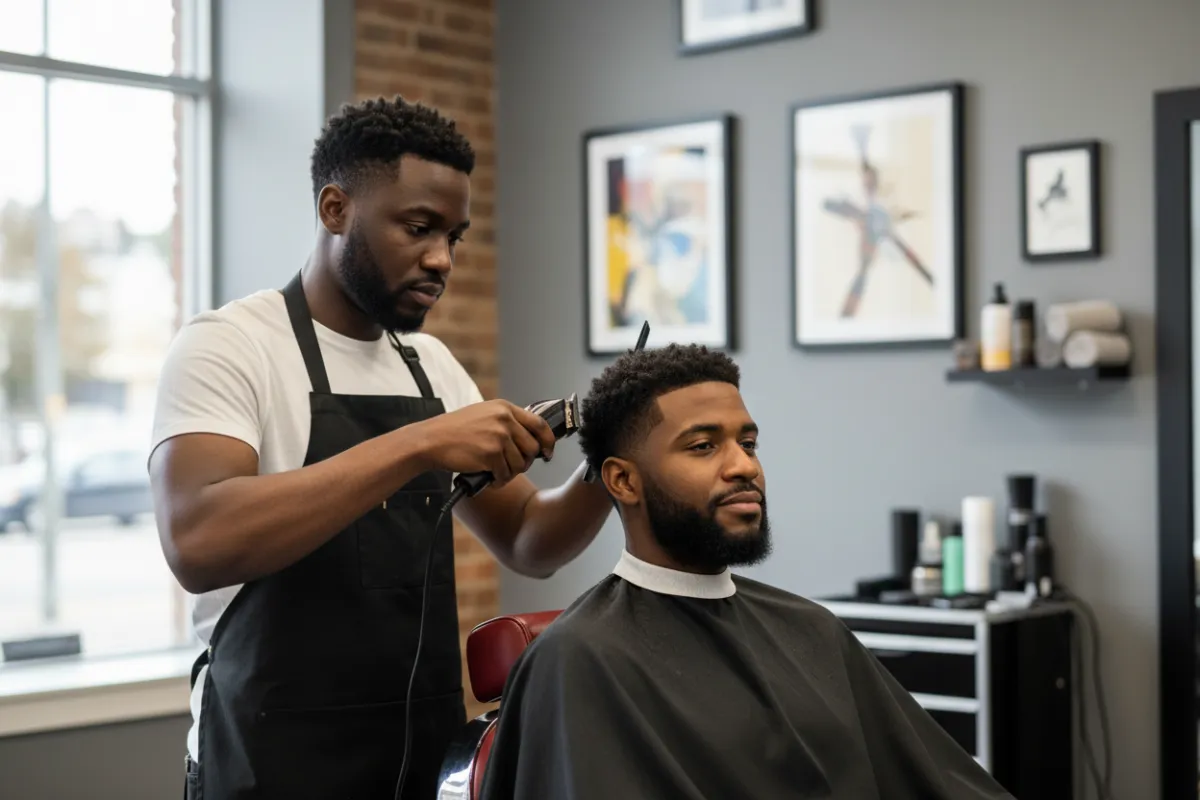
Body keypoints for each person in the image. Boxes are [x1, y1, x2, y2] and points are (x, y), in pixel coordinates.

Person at [148, 96, 612, 800]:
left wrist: (608, 460)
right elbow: (198, 541)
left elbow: (528, 539)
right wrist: (422, 441)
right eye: (418, 228)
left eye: (454, 236)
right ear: (336, 209)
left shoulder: (429, 364)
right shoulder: (229, 345)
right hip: (268, 765)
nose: (441, 259)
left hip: (420, 759)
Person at [478, 344, 1016, 800]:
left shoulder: (811, 628)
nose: (744, 466)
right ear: (622, 481)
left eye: (748, 443)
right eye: (704, 446)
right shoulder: (579, 658)